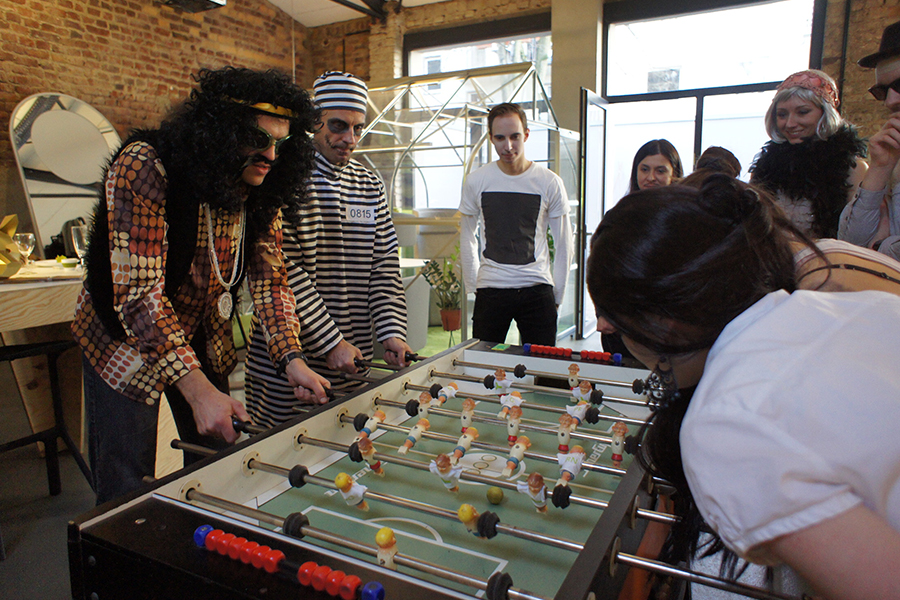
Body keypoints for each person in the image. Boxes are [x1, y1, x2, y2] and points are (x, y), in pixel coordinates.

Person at [587, 175, 900, 600]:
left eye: (611, 314)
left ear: (666, 322)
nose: (603, 326)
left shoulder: (725, 424)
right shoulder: (851, 305)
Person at [74, 67, 330, 504]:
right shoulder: (145, 164)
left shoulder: (263, 188)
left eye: (281, 143)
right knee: (127, 485)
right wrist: (198, 391)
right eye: (257, 138)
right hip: (124, 341)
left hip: (198, 333)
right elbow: (138, 295)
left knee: (215, 467)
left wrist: (291, 357)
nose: (270, 154)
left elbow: (271, 279)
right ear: (218, 132)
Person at [243, 71, 412, 427]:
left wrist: (391, 332)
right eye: (338, 125)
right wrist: (331, 343)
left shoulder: (369, 184)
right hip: (289, 366)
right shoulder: (282, 178)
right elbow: (283, 272)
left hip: (353, 362)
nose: (349, 139)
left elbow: (383, 266)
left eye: (358, 128)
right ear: (313, 123)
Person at [459, 102, 574, 346]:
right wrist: (474, 287)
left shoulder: (548, 182)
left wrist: (557, 294)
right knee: (482, 367)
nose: (508, 146)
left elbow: (565, 242)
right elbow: (467, 235)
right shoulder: (477, 181)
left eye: (515, 137)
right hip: (491, 287)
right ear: (491, 137)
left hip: (536, 287)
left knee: (544, 368)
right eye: (500, 137)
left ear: (526, 135)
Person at [750, 69, 868, 239]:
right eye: (782, 114)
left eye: (802, 112)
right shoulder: (765, 166)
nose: (790, 123)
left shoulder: (852, 169)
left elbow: (858, 237)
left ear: (825, 114)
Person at [839, 20, 900, 262]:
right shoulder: (892, 157)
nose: (890, 102)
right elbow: (851, 246)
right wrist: (880, 168)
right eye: (882, 92)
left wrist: (885, 247)